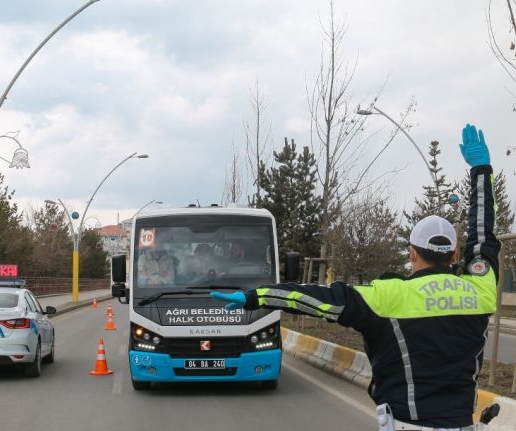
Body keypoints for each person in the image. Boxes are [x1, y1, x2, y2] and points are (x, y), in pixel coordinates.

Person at [212, 123, 499, 431]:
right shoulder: (480, 290)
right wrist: (481, 170)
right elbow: (483, 236)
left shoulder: (388, 296)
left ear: (412, 253)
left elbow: (316, 299)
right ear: (455, 255)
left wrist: (256, 296)